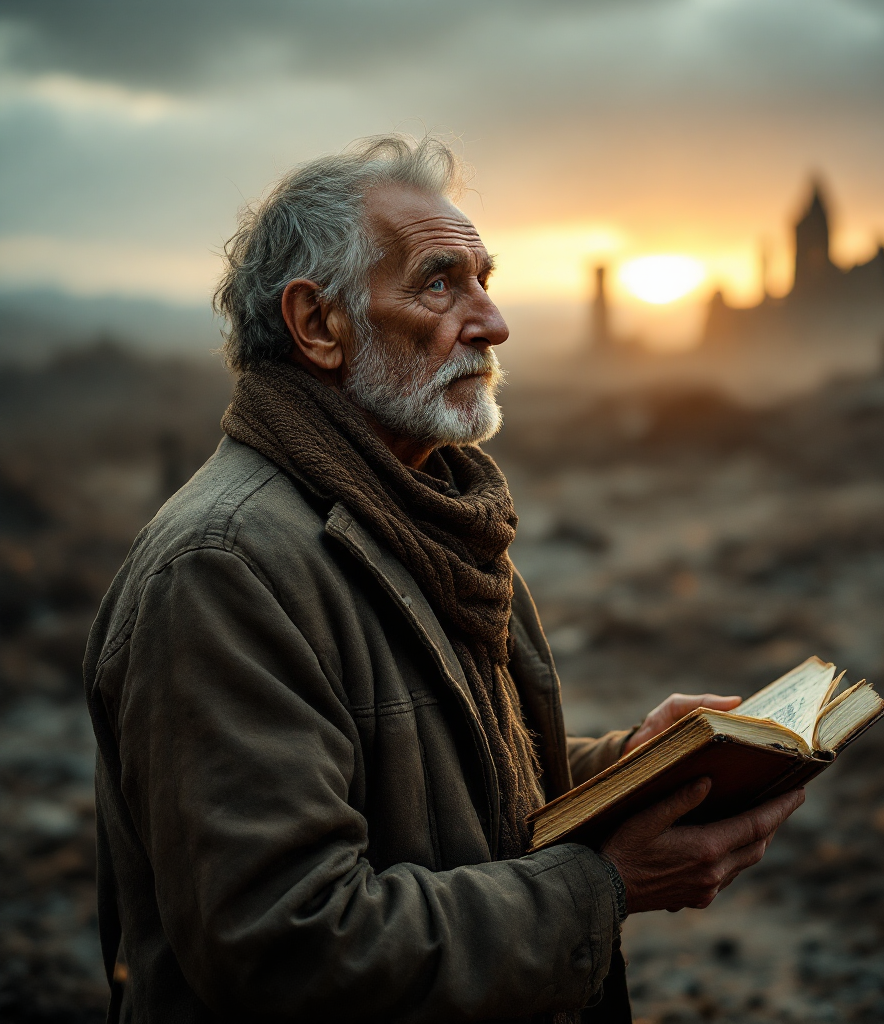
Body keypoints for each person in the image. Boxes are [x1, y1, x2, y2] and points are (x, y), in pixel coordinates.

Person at [84, 134, 804, 1024]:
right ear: (318, 325)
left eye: (485, 281)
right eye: (438, 283)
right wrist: (602, 888)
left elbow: (445, 791)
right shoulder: (225, 572)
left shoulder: (426, 516)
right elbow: (289, 946)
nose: (493, 323)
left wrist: (638, 768)